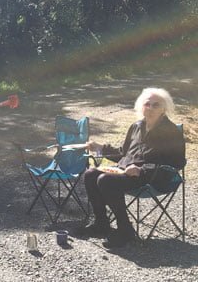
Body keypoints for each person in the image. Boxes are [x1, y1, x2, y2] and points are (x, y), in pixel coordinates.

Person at [79, 87, 186, 248]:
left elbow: (177, 162)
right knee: (90, 173)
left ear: (164, 109)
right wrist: (100, 148)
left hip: (153, 177)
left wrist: (141, 170)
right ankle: (102, 223)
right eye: (147, 104)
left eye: (155, 105)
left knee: (106, 180)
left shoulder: (171, 132)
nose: (150, 108)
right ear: (140, 106)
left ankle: (125, 231)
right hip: (126, 173)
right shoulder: (136, 126)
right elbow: (124, 153)